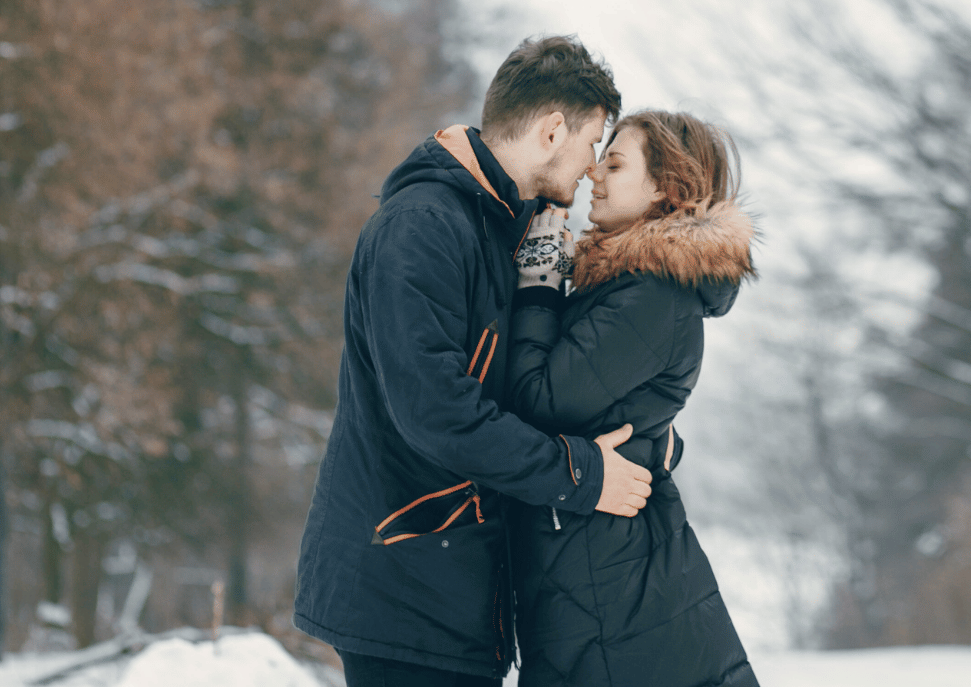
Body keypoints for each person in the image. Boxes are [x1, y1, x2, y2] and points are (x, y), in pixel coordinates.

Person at [292, 36, 660, 687]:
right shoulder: (422, 226)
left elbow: (529, 392)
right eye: (591, 144)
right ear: (553, 131)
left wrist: (645, 438)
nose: (590, 170)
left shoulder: (500, 232)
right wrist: (578, 475)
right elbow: (435, 411)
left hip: (452, 597)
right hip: (404, 593)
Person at [508, 110, 759, 687]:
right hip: (599, 570)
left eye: (615, 164)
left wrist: (539, 278)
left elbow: (536, 399)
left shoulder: (653, 295)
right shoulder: (627, 285)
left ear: (666, 189)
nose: (594, 174)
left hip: (611, 593)